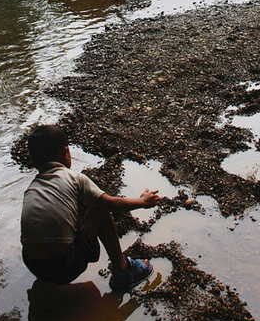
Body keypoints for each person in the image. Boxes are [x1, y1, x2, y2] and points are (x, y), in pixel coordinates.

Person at [21, 124, 161, 290]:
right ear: (66, 152)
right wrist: (143, 202)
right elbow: (110, 203)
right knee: (99, 209)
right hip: (65, 266)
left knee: (69, 209)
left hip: (33, 265)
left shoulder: (31, 189)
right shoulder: (74, 178)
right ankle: (122, 270)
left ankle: (48, 286)